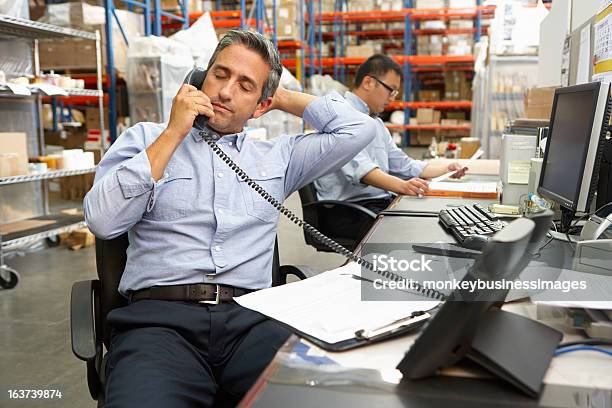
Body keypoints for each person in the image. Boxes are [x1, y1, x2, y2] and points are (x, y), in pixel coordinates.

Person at [84, 29, 376, 408]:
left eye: (244, 85)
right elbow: (103, 222)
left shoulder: (278, 158)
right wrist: (174, 133)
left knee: (338, 398)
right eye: (220, 75)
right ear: (200, 78)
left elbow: (360, 128)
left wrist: (283, 98)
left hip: (252, 323)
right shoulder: (146, 139)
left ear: (260, 105)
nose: (224, 92)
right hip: (159, 324)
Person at [314, 54, 467, 239]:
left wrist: (445, 169)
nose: (392, 99)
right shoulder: (338, 113)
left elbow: (404, 165)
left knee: (434, 219)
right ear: (368, 82)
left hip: (373, 205)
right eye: (391, 90)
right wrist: (402, 186)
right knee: (416, 232)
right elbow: (362, 170)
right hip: (348, 210)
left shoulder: (376, 124)